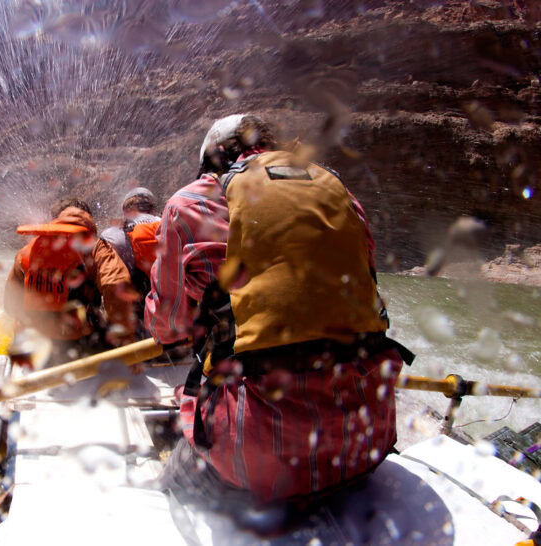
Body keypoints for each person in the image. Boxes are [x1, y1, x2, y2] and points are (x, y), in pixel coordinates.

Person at [147, 114, 414, 510]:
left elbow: (168, 327)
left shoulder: (189, 202)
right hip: (367, 441)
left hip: (256, 462)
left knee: (171, 483)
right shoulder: (339, 192)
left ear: (210, 161)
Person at [4, 198, 136, 362]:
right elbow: (116, 286)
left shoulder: (28, 250)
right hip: (79, 345)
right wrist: (124, 336)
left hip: (33, 346)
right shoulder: (95, 247)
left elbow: (10, 305)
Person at [99, 187, 161, 337]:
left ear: (126, 211)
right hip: (176, 308)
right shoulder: (168, 223)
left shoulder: (113, 235)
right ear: (153, 208)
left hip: (139, 315)